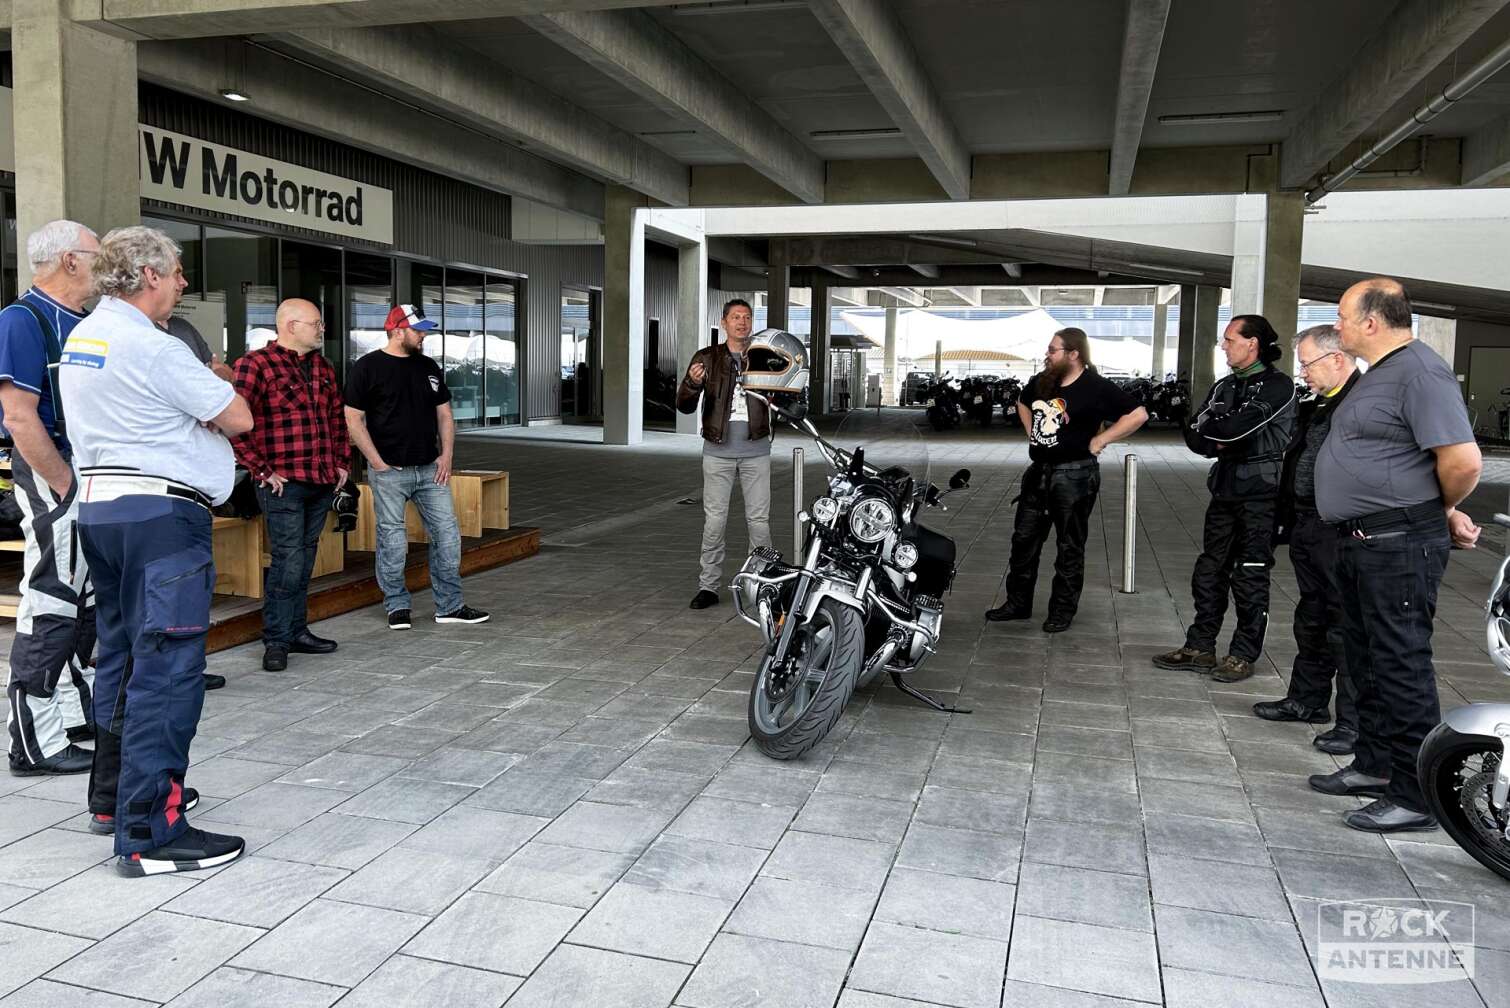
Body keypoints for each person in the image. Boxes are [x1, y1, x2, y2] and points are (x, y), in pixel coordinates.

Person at [59, 225, 253, 875]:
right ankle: (152, 833)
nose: (182, 283)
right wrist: (213, 385)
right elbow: (239, 417)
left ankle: (115, 798)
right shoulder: (155, 347)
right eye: (175, 272)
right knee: (168, 669)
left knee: (119, 657)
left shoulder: (84, 337)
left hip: (102, 511)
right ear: (146, 275)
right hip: (163, 519)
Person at [1307, 278, 1481, 834]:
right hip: (1364, 541)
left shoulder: (1421, 372)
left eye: (1341, 315)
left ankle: (1419, 794)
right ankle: (1376, 767)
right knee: (1367, 661)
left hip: (1397, 542)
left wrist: (1434, 508)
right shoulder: (1381, 373)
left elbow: (1463, 461)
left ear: (1372, 323)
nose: (1336, 324)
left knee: (1401, 666)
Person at [0, 220, 100, 776]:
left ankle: (69, 717)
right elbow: (19, 416)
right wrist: (63, 484)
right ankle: (35, 742)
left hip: (77, 474)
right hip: (55, 475)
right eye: (94, 254)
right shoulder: (23, 320)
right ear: (69, 260)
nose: (102, 265)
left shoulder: (76, 321)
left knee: (77, 603)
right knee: (52, 601)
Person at [1153, 314, 1297, 682]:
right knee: (1209, 570)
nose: (1223, 345)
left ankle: (1242, 654)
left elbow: (1232, 431)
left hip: (1262, 494)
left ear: (1253, 344)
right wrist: (1221, 435)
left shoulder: (1279, 386)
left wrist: (1222, 434)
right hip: (1225, 490)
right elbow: (1195, 435)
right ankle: (1199, 647)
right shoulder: (1225, 386)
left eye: (1230, 339)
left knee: (1250, 574)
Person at [985, 328, 1147, 632]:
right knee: (1023, 541)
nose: (1047, 354)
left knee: (1069, 545)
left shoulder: (1096, 387)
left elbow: (1137, 414)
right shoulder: (1042, 382)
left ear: (1074, 354)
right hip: (1039, 474)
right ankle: (1017, 603)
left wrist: (1101, 441)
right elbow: (1022, 402)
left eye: (1053, 350)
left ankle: (1061, 610)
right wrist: (1032, 432)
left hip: (1075, 476)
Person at [344, 305, 488, 630]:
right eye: (418, 329)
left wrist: (447, 455)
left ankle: (449, 606)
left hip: (429, 470)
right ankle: (396, 605)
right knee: (393, 541)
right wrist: (376, 462)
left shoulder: (427, 366)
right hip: (389, 472)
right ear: (397, 330)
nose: (423, 335)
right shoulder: (367, 368)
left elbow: (444, 414)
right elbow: (352, 419)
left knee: (448, 537)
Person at [1251, 326, 1359, 754]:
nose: (1303, 373)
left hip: (1341, 529)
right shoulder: (1320, 403)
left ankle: (1353, 724)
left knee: (1345, 625)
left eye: (1309, 364)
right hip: (1308, 524)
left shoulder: (1362, 401)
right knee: (1311, 617)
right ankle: (1307, 700)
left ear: (1337, 358)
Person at [231, 298, 350, 671]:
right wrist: (260, 471)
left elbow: (335, 418)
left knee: (306, 556)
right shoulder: (254, 365)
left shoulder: (323, 367)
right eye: (315, 323)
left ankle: (297, 631)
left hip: (320, 479)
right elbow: (232, 423)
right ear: (291, 326)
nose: (322, 329)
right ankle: (277, 640)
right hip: (282, 483)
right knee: (289, 559)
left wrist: (342, 463)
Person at [676, 298, 772, 610]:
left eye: (747, 317)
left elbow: (785, 395)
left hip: (756, 450)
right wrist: (692, 382)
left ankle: (762, 585)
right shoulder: (708, 357)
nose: (742, 322)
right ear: (724, 322)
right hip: (717, 451)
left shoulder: (764, 356)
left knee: (759, 522)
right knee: (714, 522)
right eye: (735, 317)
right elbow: (684, 405)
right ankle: (708, 587)